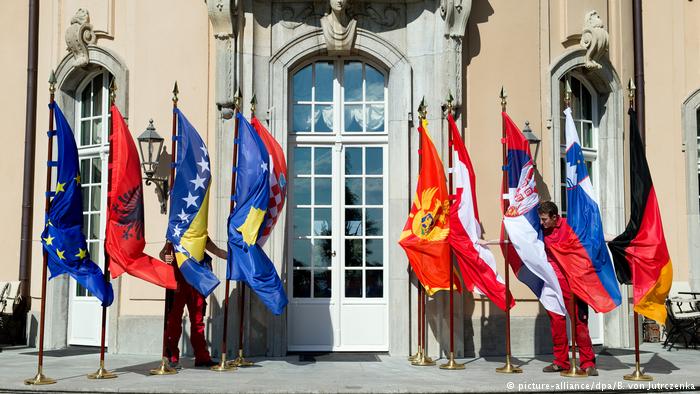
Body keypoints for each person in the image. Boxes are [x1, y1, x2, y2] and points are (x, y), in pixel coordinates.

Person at [538, 201, 598, 376]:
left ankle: (588, 362)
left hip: (572, 282)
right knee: (556, 322)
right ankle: (560, 361)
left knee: (579, 322)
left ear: (555, 217)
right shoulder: (540, 230)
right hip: (551, 283)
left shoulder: (571, 226)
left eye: (545, 220)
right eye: (541, 220)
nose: (542, 223)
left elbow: (593, 236)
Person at [159, 237, 227, 369]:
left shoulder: (201, 234)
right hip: (177, 281)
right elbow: (163, 253)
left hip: (195, 283)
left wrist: (234, 256)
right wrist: (165, 257)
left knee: (197, 321)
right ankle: (171, 355)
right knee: (174, 320)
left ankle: (202, 357)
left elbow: (217, 251)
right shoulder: (175, 230)